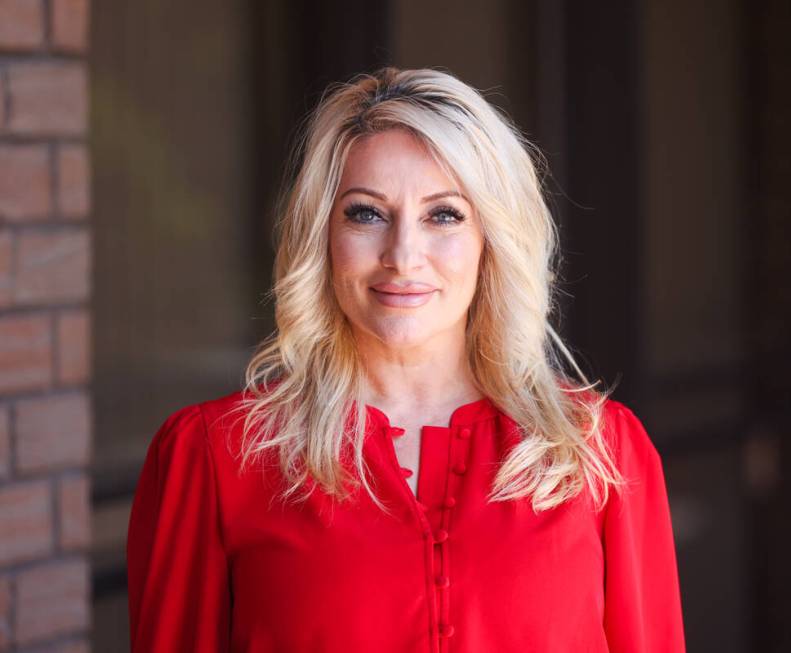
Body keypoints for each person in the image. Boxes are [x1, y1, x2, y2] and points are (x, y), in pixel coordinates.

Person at [126, 66, 685, 652]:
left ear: (490, 239)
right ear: (322, 234)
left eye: (443, 215)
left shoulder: (599, 454)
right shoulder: (213, 458)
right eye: (366, 213)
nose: (403, 255)